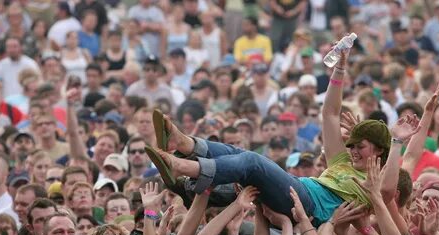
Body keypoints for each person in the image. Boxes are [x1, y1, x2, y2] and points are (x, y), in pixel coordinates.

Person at [146, 51, 423, 224]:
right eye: (351, 144)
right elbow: (329, 114)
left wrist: (397, 140)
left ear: (378, 151)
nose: (351, 150)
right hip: (297, 190)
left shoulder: (373, 185)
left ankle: (183, 165)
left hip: (308, 208)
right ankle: (184, 150)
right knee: (239, 157)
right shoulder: (342, 163)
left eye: (359, 146)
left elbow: (387, 191)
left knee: (252, 162)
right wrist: (339, 70)